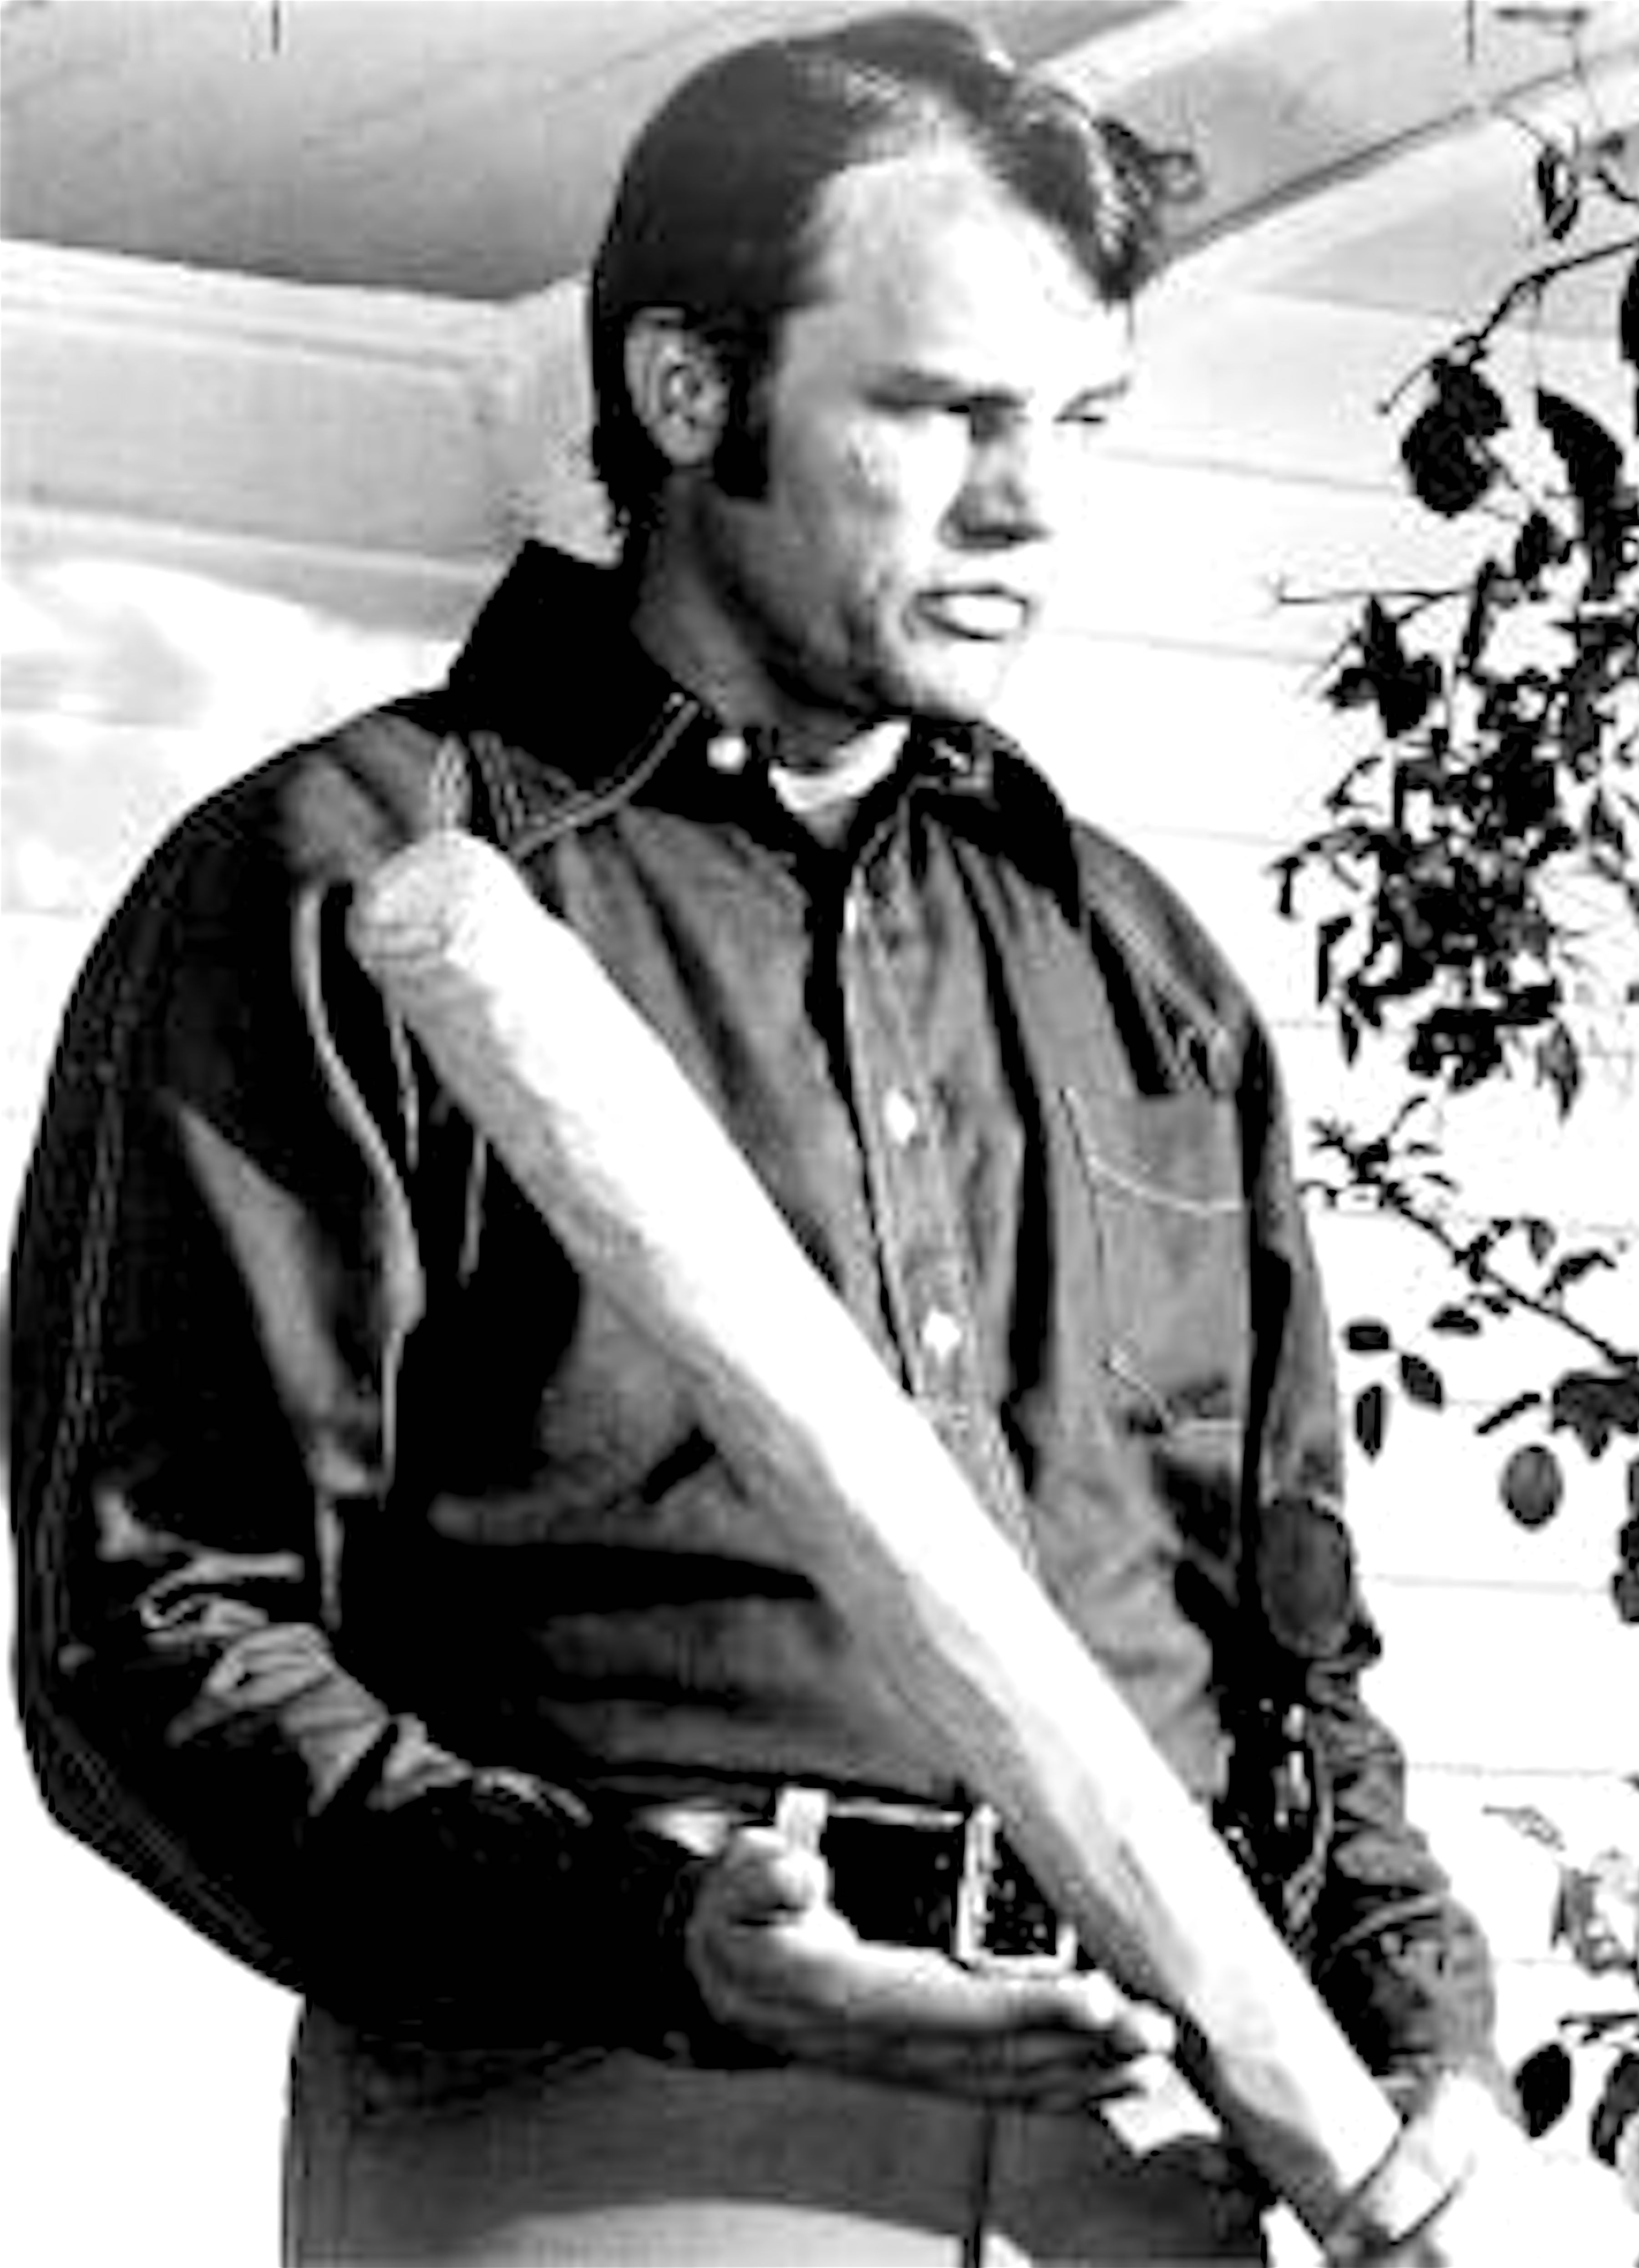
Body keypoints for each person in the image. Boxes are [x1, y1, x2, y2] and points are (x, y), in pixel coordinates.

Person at [8, 15, 1515, 2263]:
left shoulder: (1135, 971)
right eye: (938, 412)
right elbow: (158, 1636)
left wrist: (1414, 2017)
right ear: (689, 391)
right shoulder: (344, 886)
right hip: (621, 2117)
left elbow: (1293, 1665)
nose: (1028, 503)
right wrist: (652, 1933)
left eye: (1075, 421)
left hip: (1151, 2143)